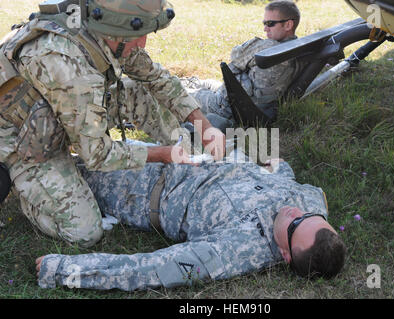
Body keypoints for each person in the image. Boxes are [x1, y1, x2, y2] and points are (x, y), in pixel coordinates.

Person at [0, 0, 225, 248]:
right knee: (84, 232)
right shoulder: (69, 68)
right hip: (21, 140)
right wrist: (161, 155)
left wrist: (204, 125)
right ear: (113, 32)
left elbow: (156, 77)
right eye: (138, 36)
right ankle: (28, 190)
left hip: (55, 113)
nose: (142, 44)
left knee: (137, 92)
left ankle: (191, 157)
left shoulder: (105, 31)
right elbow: (96, 154)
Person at [36, 155, 346, 291]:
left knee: (50, 162)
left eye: (295, 225)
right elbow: (289, 180)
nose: (294, 212)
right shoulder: (310, 207)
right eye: (308, 215)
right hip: (177, 153)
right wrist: (276, 165)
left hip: (139, 187)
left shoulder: (238, 250)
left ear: (286, 255)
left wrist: (62, 269)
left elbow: (152, 269)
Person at [181, 0, 306, 131]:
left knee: (181, 92)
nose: (265, 28)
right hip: (248, 100)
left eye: (270, 23)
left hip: (227, 106)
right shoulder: (298, 48)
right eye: (265, 23)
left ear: (288, 25)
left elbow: (235, 55)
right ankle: (188, 82)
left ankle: (180, 83)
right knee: (205, 83)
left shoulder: (270, 48)